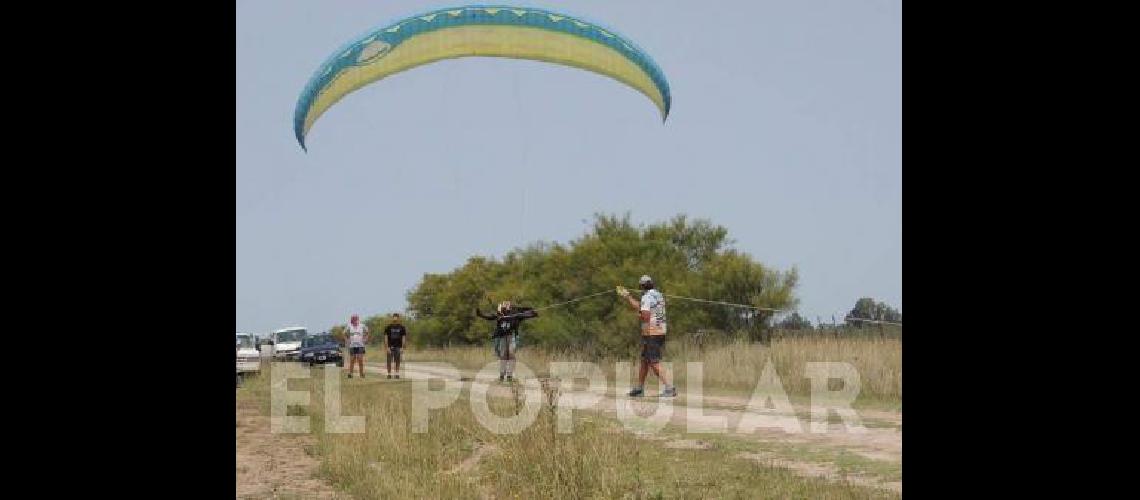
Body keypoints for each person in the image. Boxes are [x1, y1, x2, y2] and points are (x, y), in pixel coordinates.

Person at [617, 275, 676, 397]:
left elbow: (645, 316)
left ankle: (669, 388)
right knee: (645, 361)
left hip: (652, 333)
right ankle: (639, 388)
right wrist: (627, 296)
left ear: (642, 286)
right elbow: (641, 306)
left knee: (654, 362)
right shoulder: (658, 295)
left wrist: (639, 315)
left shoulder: (646, 297)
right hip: (660, 331)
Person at [475, 301, 537, 382]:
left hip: (512, 336)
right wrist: (480, 314)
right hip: (502, 337)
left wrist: (533, 313)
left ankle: (509, 375)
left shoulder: (516, 315)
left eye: (507, 305)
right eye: (503, 306)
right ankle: (502, 375)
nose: (505, 306)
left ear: (510, 308)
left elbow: (529, 315)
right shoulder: (499, 315)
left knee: (511, 354)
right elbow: (489, 317)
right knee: (503, 355)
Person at [383, 313, 408, 379]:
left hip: (398, 347)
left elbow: (404, 338)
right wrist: (387, 347)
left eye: (396, 317)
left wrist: (402, 347)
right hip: (390, 346)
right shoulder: (388, 327)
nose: (395, 318)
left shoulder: (402, 327)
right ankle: (389, 374)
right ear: (392, 318)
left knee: (397, 360)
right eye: (394, 317)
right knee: (389, 361)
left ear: (398, 318)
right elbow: (385, 337)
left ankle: (397, 374)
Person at [345, 314, 369, 379]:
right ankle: (350, 373)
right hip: (352, 346)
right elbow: (344, 333)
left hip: (360, 345)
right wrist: (347, 340)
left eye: (355, 319)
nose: (354, 321)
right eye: (353, 320)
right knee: (352, 360)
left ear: (357, 320)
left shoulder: (362, 325)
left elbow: (367, 332)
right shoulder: (349, 326)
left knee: (360, 359)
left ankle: (361, 374)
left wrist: (365, 339)